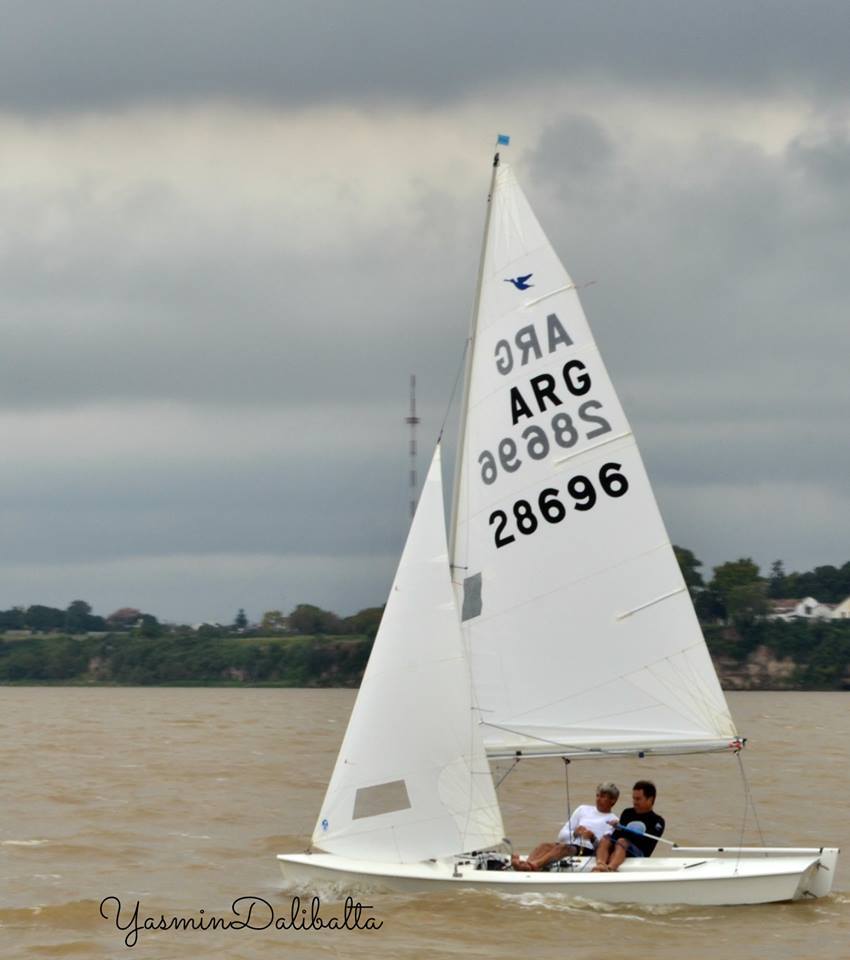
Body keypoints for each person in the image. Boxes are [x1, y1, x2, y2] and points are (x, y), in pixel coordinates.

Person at [511, 782, 620, 871]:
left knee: (563, 848)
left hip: (587, 850)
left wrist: (592, 837)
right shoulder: (582, 809)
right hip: (571, 844)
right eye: (597, 795)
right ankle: (527, 864)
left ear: (613, 800)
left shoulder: (614, 821)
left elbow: (603, 848)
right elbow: (561, 836)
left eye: (603, 797)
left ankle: (534, 865)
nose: (598, 799)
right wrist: (575, 833)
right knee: (544, 845)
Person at [593, 780, 665, 872]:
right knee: (606, 838)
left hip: (639, 853)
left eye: (638, 799)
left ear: (650, 799)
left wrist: (624, 830)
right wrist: (617, 828)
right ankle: (600, 864)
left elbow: (647, 841)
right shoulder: (627, 813)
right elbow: (616, 835)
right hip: (621, 847)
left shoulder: (658, 821)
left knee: (622, 841)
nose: (634, 802)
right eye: (633, 798)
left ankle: (610, 869)